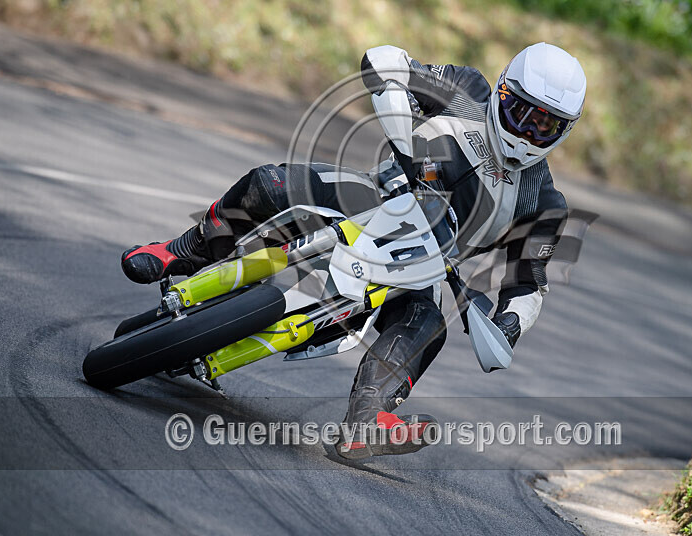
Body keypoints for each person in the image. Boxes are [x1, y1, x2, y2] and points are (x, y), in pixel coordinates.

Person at [121, 42, 586, 459]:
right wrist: (405, 136)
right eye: (522, 112)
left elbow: (528, 282)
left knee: (428, 327)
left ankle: (368, 419)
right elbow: (387, 61)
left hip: (425, 266)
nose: (529, 131)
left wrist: (508, 325)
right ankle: (186, 249)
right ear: (502, 90)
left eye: (546, 125)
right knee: (270, 183)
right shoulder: (465, 90)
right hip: (373, 195)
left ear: (563, 132)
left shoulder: (544, 202)